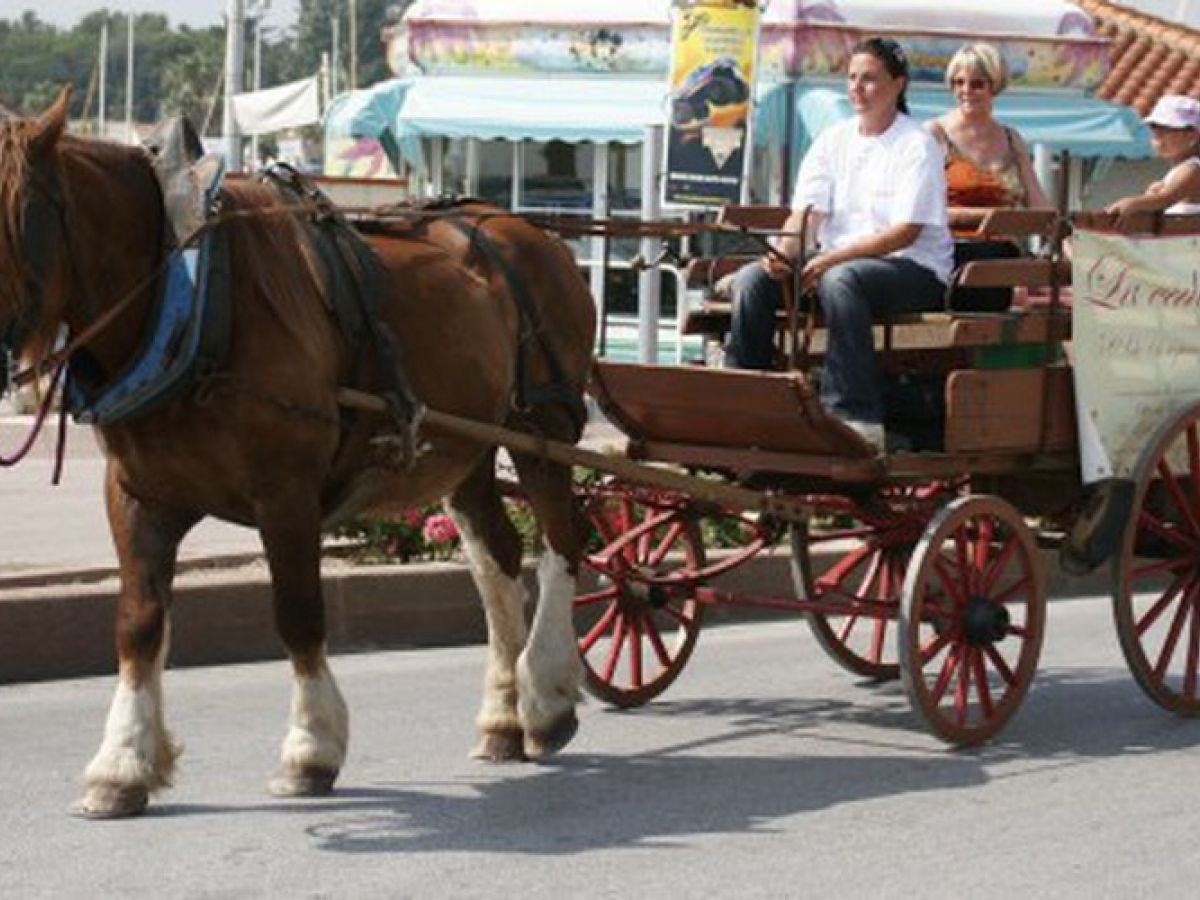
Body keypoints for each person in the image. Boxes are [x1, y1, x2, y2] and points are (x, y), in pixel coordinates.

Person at [724, 37, 953, 451]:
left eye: (869, 79)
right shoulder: (833, 140)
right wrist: (785, 252)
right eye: (851, 78)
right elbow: (807, 215)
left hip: (912, 267)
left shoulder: (917, 144)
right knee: (753, 279)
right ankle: (746, 406)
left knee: (842, 280)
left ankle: (854, 415)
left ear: (898, 85)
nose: (857, 89)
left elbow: (905, 233)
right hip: (839, 261)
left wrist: (831, 258)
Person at [928, 42, 1049, 229]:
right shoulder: (935, 134)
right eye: (959, 82)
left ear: (994, 86)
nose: (966, 90)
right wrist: (986, 217)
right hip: (947, 250)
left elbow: (1038, 204)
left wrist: (1065, 240)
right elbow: (919, 206)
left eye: (977, 84)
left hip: (1005, 251)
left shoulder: (1012, 139)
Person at [1106, 94, 1200, 223]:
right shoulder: (1177, 171)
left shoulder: (1192, 168)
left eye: (1167, 129)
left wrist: (1132, 203)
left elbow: (1166, 199)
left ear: (1192, 135)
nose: (1158, 134)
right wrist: (1150, 197)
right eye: (1154, 128)